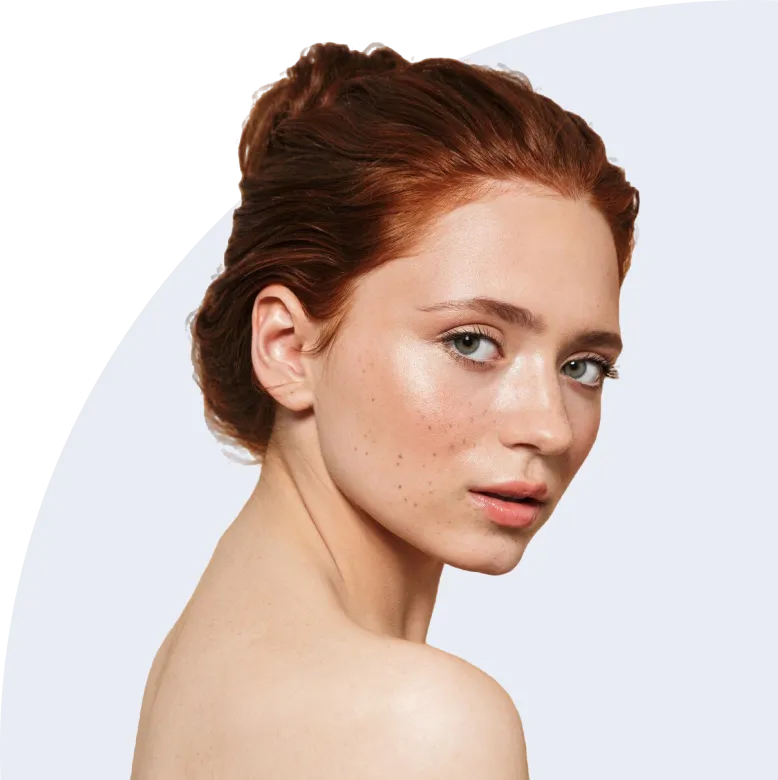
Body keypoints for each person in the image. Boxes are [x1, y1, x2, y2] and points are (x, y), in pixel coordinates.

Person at [131, 41, 639, 779]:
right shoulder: (420, 721)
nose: (550, 427)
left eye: (582, 366)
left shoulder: (205, 660)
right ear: (287, 347)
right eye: (471, 342)